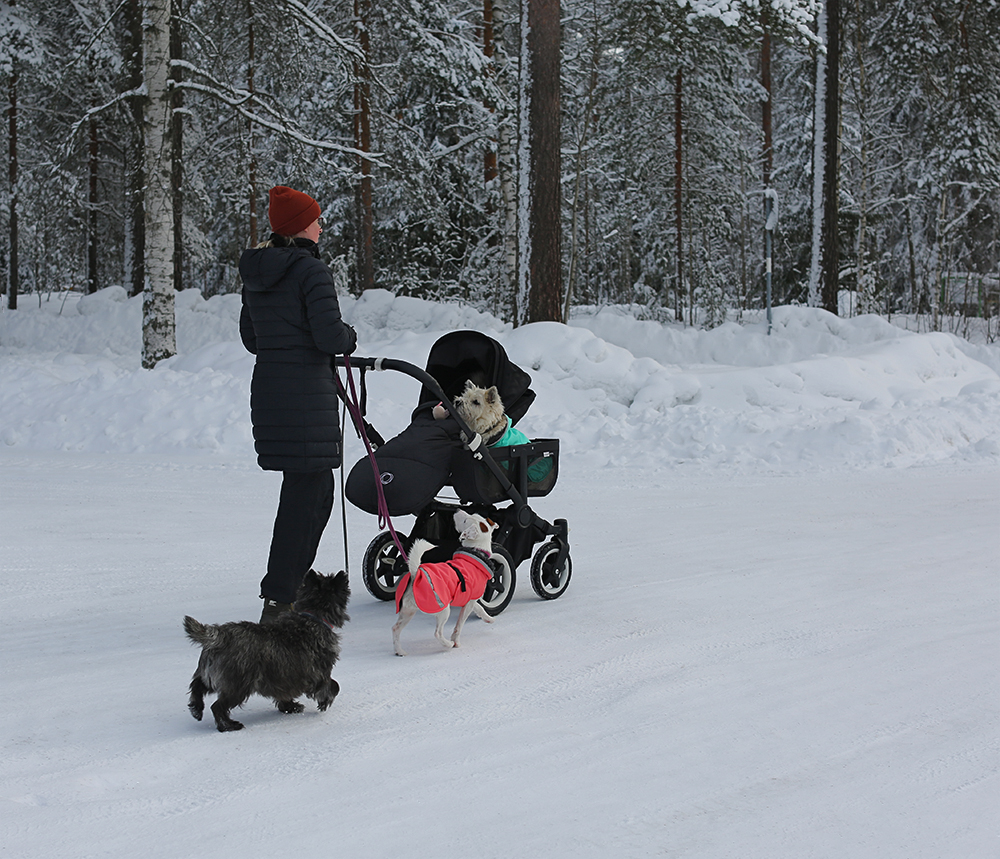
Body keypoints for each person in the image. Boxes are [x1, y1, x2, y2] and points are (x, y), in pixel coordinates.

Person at [238, 185, 358, 623]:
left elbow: (252, 338)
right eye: (316, 219)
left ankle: (287, 589)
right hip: (306, 399)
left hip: (271, 396)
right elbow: (330, 337)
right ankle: (281, 598)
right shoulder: (311, 272)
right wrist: (350, 338)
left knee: (306, 493)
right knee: (309, 497)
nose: (321, 225)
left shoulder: (257, 273)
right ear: (301, 227)